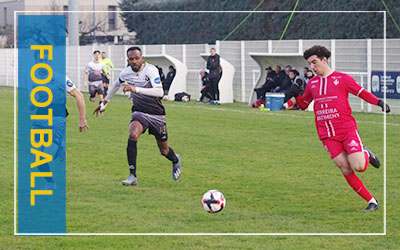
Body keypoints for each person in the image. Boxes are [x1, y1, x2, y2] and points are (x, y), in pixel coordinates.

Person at [290, 45, 390, 210]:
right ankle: (371, 201)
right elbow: (303, 104)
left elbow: (361, 92)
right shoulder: (312, 84)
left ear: (324, 59)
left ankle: (365, 153)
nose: (313, 67)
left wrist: (378, 102)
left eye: (315, 62)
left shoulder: (342, 79)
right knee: (345, 167)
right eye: (310, 64)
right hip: (326, 134)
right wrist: (295, 94)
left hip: (346, 129)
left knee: (358, 166)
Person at [93, 46, 182, 185]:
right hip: (139, 112)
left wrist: (136, 89)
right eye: (131, 59)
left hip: (157, 115)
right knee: (133, 135)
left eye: (137, 58)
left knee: (164, 151)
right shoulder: (127, 72)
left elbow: (159, 93)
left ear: (142, 58)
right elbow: (116, 85)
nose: (134, 61)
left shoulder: (150, 70)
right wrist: (105, 102)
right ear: (128, 60)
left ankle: (175, 159)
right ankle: (132, 176)